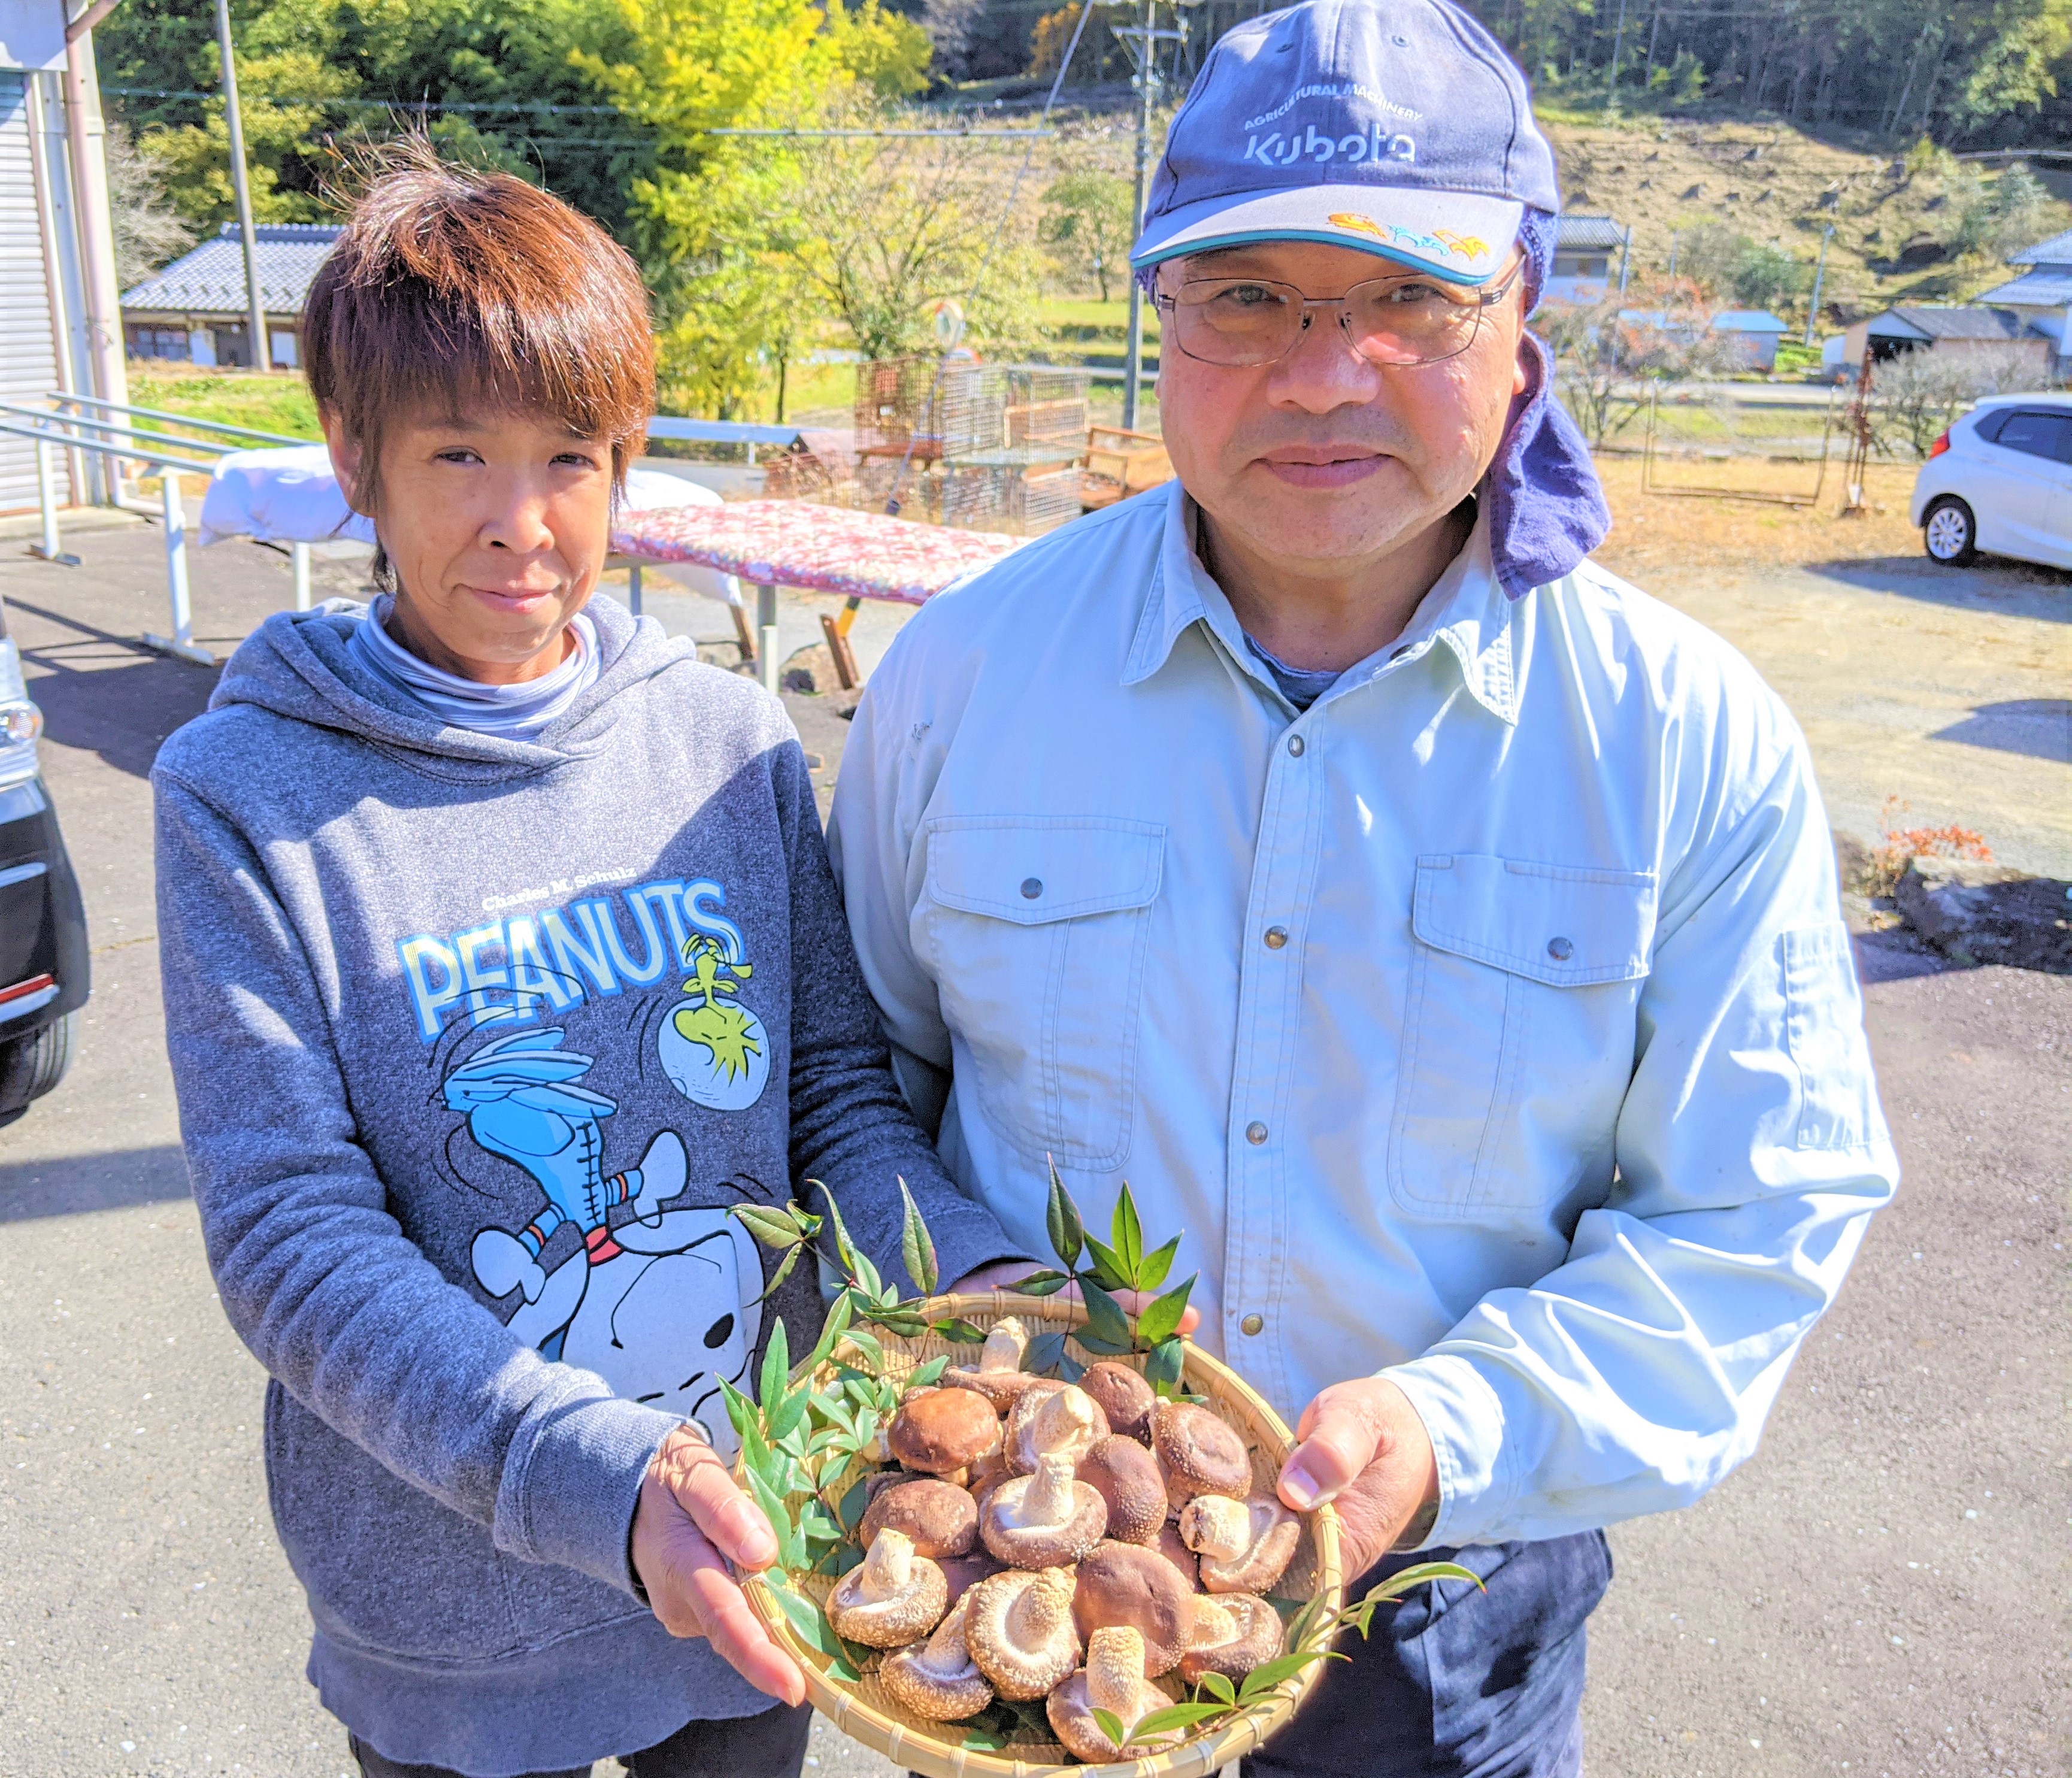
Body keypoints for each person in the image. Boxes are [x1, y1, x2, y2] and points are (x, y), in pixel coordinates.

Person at [827, 1, 1900, 1771]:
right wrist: (985, 1312)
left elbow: (1751, 1212)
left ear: (1519, 323)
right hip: (1023, 1583)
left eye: (1406, 298)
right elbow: (853, 1076)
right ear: (1156, 319)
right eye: (1244, 296)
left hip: (1442, 1624)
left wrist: (1450, 1418)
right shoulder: (962, 677)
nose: (1321, 373)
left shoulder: (1678, 736)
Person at [152, 153, 1027, 1778]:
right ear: (355, 458)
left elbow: (829, 1094)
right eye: (457, 453)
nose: (521, 519)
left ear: (626, 464)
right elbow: (289, 1233)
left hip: (767, 1531)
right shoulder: (247, 793)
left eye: (571, 457)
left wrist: (957, 1267)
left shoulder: (721, 738)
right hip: (453, 1613)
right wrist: (594, 1475)